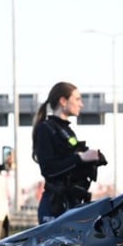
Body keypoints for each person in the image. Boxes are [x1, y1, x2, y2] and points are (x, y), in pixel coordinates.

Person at [31, 81, 107, 224]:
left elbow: (70, 160)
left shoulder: (67, 131)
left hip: (73, 203)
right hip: (55, 206)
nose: (81, 104)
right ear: (63, 101)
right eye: (77, 99)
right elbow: (48, 169)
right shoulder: (46, 129)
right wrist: (80, 158)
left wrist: (92, 160)